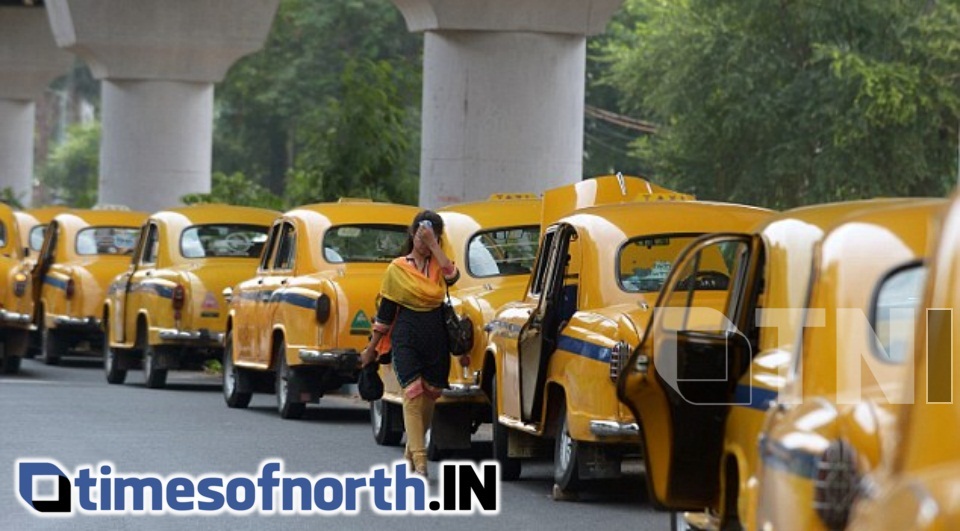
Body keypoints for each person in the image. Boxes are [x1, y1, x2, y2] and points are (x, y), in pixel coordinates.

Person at [360, 210, 468, 477]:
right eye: (420, 235)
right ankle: (420, 462)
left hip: (435, 333)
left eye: (430, 237)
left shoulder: (438, 265)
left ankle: (412, 447)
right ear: (412, 234)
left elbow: (453, 277)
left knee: (431, 394)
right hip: (406, 333)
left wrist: (433, 245)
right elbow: (386, 312)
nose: (423, 241)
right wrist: (372, 348)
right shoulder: (397, 269)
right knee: (413, 393)